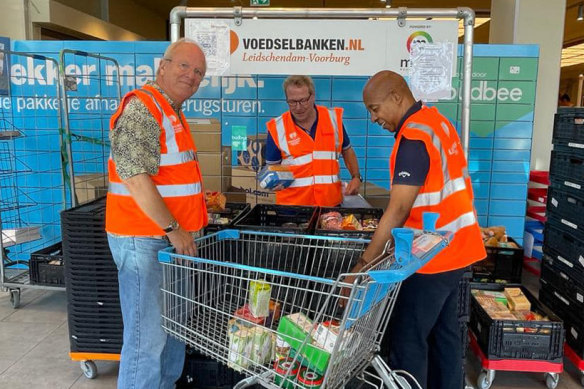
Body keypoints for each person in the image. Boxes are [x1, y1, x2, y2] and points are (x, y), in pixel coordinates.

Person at [350, 70, 486, 388]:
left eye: (374, 108)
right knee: (445, 337)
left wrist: (363, 264)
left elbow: (398, 209)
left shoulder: (414, 136)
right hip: (458, 249)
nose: (373, 118)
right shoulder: (437, 123)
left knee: (407, 339)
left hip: (431, 258)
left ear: (396, 97)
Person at [105, 38, 208, 389]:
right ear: (162, 67)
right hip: (144, 241)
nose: (192, 76)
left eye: (198, 72)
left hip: (170, 244)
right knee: (146, 340)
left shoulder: (171, 111)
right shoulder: (143, 108)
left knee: (173, 331)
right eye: (184, 66)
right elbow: (134, 177)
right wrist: (174, 227)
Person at [265, 75, 362, 206]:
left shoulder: (332, 119)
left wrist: (356, 177)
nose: (298, 107)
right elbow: (272, 168)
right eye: (292, 102)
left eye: (303, 100)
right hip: (292, 208)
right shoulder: (277, 128)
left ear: (313, 96)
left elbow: (347, 150)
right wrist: (272, 182)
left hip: (330, 205)